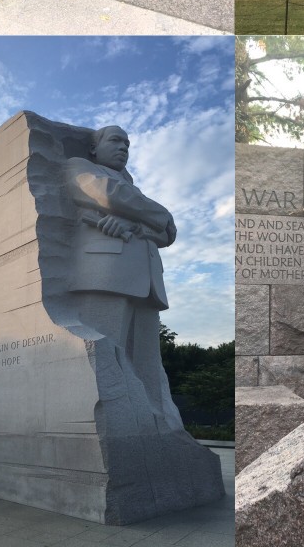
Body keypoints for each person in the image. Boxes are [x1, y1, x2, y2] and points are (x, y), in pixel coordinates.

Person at [64, 125, 182, 428]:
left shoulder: (135, 192)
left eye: (128, 143)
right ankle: (115, 426)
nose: (124, 148)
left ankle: (159, 425)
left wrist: (134, 225)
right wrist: (161, 215)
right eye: (116, 140)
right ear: (94, 148)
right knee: (104, 355)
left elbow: (168, 234)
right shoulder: (79, 167)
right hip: (105, 273)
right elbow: (109, 194)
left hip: (147, 282)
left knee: (148, 365)